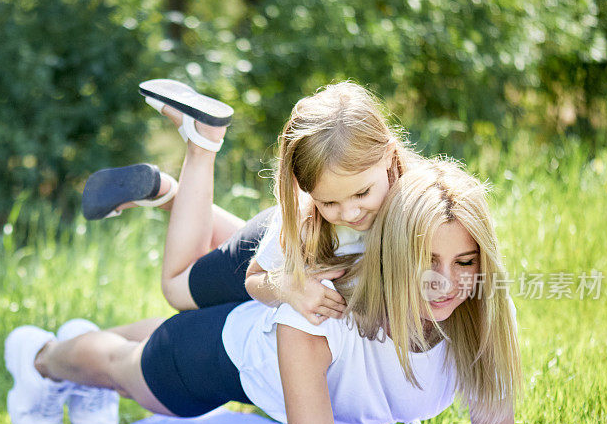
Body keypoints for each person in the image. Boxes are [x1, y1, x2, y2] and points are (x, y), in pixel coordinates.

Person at [5, 159, 594, 424]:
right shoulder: (318, 320)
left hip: (284, 249)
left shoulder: (481, 311)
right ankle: (41, 359)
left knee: (244, 268)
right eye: (426, 263)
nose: (447, 283)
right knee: (129, 366)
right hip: (227, 348)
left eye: (465, 262)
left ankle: (175, 198)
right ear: (392, 254)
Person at [83, 80, 422, 327]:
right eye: (330, 201)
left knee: (262, 245)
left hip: (292, 239)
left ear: (390, 156)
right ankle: (202, 144)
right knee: (176, 288)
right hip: (289, 237)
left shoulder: (423, 198)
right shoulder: (308, 216)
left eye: (362, 194)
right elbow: (257, 276)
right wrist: (285, 286)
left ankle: (171, 194)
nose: (350, 213)